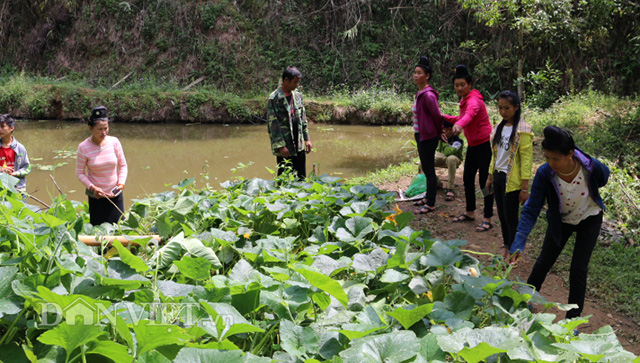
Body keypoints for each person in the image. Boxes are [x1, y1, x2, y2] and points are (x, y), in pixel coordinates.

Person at [509, 126, 609, 319]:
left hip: (590, 217)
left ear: (571, 154)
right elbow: (531, 209)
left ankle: (572, 319)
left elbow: (605, 175)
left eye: (555, 158)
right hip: (561, 221)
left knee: (579, 269)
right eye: (547, 157)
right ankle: (526, 301)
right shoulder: (545, 173)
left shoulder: (588, 167)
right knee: (544, 262)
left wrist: (586, 158)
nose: (550, 163)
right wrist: (519, 241)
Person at [444, 65, 494, 232]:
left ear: (470, 84)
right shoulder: (465, 99)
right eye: (456, 85)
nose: (459, 88)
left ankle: (487, 218)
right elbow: (462, 117)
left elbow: (469, 115)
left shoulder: (474, 100)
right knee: (467, 179)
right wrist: (443, 117)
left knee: (484, 182)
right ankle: (470, 212)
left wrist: (458, 124)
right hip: (473, 145)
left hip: (484, 144)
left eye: (462, 84)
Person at [485, 91, 533, 256]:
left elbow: (526, 160)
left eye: (507, 108)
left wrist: (525, 188)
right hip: (498, 176)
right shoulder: (499, 127)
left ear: (516, 107)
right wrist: (490, 177)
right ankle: (506, 247)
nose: (503, 112)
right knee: (502, 215)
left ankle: (513, 252)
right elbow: (495, 155)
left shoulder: (523, 130)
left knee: (511, 218)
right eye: (500, 108)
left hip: (511, 180)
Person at [76, 106, 128, 225]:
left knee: (118, 228)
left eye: (106, 128)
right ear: (90, 128)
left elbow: (123, 165)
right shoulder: (83, 147)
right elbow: (80, 173)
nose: (104, 132)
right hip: (96, 197)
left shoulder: (114, 142)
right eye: (100, 129)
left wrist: (121, 184)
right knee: (99, 233)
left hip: (115, 193)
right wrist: (92, 188)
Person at [267, 66, 313, 180]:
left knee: (301, 177)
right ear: (286, 80)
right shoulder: (274, 98)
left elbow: (303, 119)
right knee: (284, 178)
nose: (297, 85)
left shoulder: (298, 96)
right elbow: (273, 124)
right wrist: (281, 146)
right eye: (295, 82)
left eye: (298, 82)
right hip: (285, 148)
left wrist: (307, 139)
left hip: (299, 145)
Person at [411, 55, 443, 214]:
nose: (416, 75)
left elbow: (437, 116)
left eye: (419, 73)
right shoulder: (420, 93)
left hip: (428, 137)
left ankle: (431, 203)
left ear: (427, 76)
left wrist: (440, 131)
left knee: (429, 170)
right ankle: (427, 197)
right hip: (421, 135)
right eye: (415, 72)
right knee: (426, 167)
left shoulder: (428, 95)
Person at [0, 114, 31, 193]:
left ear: (11, 128)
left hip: (18, 189)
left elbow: (27, 168)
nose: (0, 129)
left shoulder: (20, 148)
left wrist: (15, 173)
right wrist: (1, 170)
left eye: (2, 127)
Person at [434, 121, 463, 201]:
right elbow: (439, 151)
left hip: (454, 160)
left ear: (450, 129)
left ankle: (450, 188)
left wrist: (445, 142)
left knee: (451, 158)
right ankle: (436, 183)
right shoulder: (441, 138)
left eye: (444, 130)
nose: (443, 132)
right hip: (443, 158)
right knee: (425, 161)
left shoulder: (458, 141)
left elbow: (448, 152)